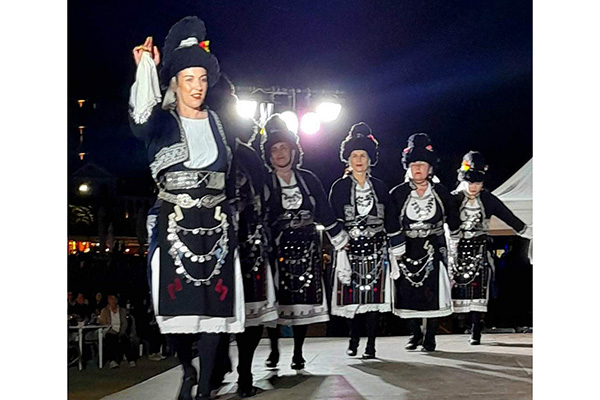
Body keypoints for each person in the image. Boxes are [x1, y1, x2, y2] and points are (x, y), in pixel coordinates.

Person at [129, 16, 245, 400]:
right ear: (175, 83)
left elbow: (232, 172)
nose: (197, 86)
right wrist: (146, 70)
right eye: (188, 78)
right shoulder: (161, 124)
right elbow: (140, 119)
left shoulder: (219, 122)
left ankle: (205, 388)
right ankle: (187, 368)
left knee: (215, 310)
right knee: (172, 308)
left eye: (202, 79)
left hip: (217, 226)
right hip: (173, 224)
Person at [260, 114, 348, 370]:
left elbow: (324, 211)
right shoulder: (265, 182)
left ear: (293, 150)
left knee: (303, 301)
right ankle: (274, 349)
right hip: (277, 248)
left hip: (307, 247)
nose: (279, 153)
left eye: (284, 147)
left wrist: (339, 239)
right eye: (274, 149)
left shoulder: (308, 179)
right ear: (269, 154)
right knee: (276, 300)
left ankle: (298, 351)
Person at [328, 122, 403, 359]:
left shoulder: (380, 187)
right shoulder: (339, 187)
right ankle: (353, 339)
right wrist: (340, 239)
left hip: (376, 250)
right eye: (354, 155)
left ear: (370, 159)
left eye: (363, 155)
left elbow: (391, 218)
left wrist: (397, 248)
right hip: (349, 250)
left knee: (373, 299)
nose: (359, 160)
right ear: (348, 159)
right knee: (352, 299)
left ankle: (371, 344)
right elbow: (332, 216)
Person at [448, 151, 532, 344]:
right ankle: (453, 326)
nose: (473, 187)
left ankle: (475, 330)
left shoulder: (488, 199)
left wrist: (528, 231)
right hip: (456, 251)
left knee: (479, 291)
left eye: (477, 183)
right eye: (470, 183)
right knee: (456, 290)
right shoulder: (453, 199)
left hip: (480, 249)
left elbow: (510, 218)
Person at [389, 133, 459, 352]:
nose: (418, 168)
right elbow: (390, 221)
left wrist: (455, 240)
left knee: (434, 292)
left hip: (433, 247)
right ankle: (415, 333)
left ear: (430, 168)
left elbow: (453, 218)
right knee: (407, 292)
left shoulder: (441, 192)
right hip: (406, 249)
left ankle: (430, 336)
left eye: (422, 164)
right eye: (414, 165)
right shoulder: (398, 193)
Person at [99, 294, 137, 368]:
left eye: (113, 299)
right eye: (110, 299)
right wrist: (111, 330)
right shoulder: (104, 311)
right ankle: (112, 361)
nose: (112, 301)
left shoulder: (122, 310)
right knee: (111, 339)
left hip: (121, 330)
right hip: (110, 330)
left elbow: (125, 323)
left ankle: (130, 360)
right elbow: (103, 323)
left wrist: (121, 331)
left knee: (125, 339)